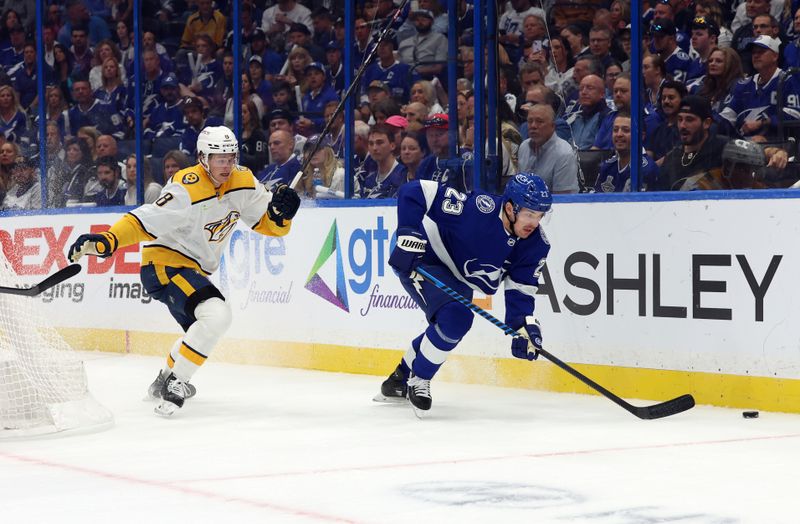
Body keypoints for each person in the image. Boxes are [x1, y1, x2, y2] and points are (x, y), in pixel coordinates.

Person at [67, 126, 301, 416]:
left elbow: (268, 224)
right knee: (217, 314)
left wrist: (281, 215)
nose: (226, 165)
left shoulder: (244, 181)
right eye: (219, 159)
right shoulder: (186, 186)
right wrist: (108, 240)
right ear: (203, 158)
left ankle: (164, 378)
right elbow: (145, 219)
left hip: (191, 269)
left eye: (231, 157)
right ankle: (178, 382)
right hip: (163, 263)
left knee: (200, 329)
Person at [376, 173, 552, 414]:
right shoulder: (479, 210)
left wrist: (523, 326)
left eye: (540, 215)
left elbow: (520, 291)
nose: (534, 222)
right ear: (510, 208)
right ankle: (419, 379)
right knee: (456, 318)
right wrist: (407, 232)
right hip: (421, 257)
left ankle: (398, 379)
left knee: (448, 324)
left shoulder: (536, 245)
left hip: (457, 277)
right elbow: (415, 191)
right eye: (529, 214)